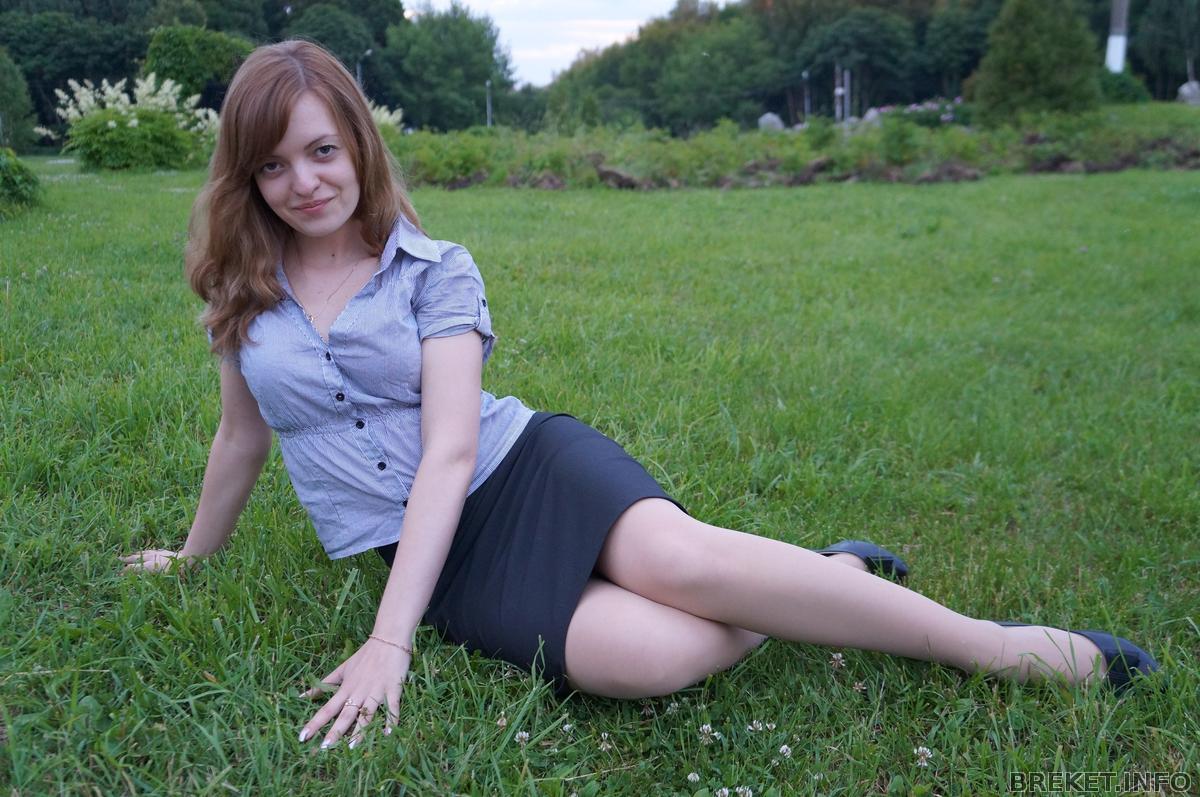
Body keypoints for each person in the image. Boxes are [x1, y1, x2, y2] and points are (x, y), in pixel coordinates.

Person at [119, 40, 1159, 752]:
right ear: (246, 177)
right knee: (645, 658)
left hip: (522, 468)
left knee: (686, 562)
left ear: (358, 145)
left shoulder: (435, 270)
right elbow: (242, 435)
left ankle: (1000, 648)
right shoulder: (241, 290)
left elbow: (451, 450)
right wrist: (194, 554)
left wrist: (389, 642)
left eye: (322, 150)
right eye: (273, 165)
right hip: (427, 552)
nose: (304, 181)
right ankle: (829, 574)